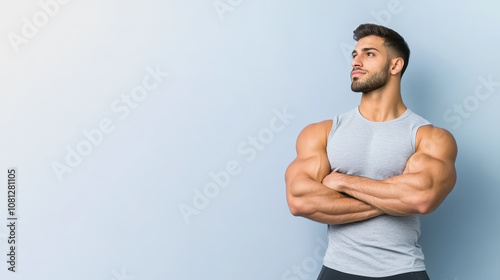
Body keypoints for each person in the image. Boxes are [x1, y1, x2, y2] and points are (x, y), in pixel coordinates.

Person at [285, 23, 457, 280]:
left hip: (403, 270)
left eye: (369, 54)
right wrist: (396, 198)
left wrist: (342, 181)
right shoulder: (321, 132)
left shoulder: (429, 137)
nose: (356, 61)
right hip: (337, 270)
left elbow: (421, 198)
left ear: (395, 66)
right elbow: (300, 201)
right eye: (355, 54)